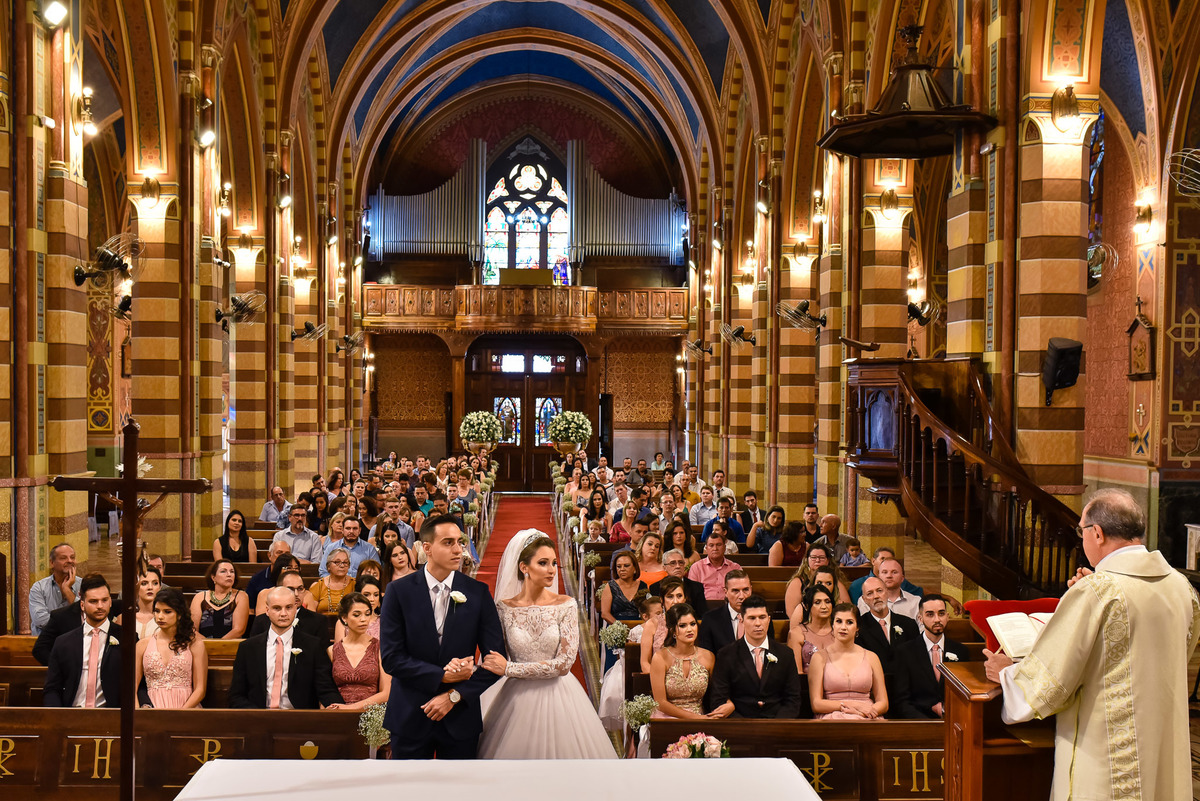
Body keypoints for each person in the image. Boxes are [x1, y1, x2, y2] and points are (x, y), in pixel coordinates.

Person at [984, 489, 1200, 801]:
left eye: (1081, 530)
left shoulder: (1099, 592)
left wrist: (1007, 673)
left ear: (1096, 533)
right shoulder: (1181, 588)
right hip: (1165, 741)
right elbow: (1171, 654)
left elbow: (1051, 682)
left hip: (1109, 755)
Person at [475, 532, 615, 758]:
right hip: (515, 699)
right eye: (543, 563)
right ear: (524, 567)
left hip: (559, 694)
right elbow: (494, 655)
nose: (551, 570)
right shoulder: (504, 608)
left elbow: (564, 664)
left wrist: (510, 669)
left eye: (553, 563)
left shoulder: (566, 605)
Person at [378, 514, 506, 759]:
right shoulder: (398, 592)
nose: (458, 550)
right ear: (427, 548)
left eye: (460, 542)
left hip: (459, 718)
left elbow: (495, 661)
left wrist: (454, 696)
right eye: (448, 543)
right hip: (410, 715)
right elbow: (392, 658)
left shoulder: (477, 592)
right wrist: (442, 676)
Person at [229, 586, 344, 709]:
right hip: (258, 719)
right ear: (267, 610)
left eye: (288, 607)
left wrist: (336, 708)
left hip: (299, 719)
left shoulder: (313, 646)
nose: (283, 614)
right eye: (277, 608)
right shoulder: (248, 648)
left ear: (295, 608)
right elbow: (236, 695)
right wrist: (258, 716)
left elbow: (326, 689)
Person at [708, 594, 806, 718]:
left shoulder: (785, 654)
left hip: (778, 725)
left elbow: (793, 699)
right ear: (742, 620)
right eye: (752, 618)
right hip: (740, 727)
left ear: (769, 619)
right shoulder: (727, 655)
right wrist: (745, 728)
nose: (758, 623)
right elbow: (718, 699)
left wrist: (776, 727)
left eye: (762, 617)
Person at [43, 574, 124, 707]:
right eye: (93, 601)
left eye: (104, 600)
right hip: (72, 714)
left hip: (112, 716)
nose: (100, 606)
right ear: (82, 605)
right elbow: (52, 688)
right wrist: (57, 718)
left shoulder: (126, 638)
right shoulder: (63, 643)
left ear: (110, 602)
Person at [892, 594, 969, 719]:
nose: (937, 619)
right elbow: (902, 700)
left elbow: (964, 694)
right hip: (919, 722)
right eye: (930, 614)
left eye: (941, 613)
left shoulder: (961, 651)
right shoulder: (905, 652)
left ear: (947, 617)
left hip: (954, 719)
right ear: (920, 618)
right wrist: (926, 725)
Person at [810, 604, 888, 719]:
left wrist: (863, 712)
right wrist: (851, 705)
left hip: (867, 716)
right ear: (832, 624)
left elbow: (883, 703)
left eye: (849, 622)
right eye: (839, 621)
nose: (843, 627)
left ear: (857, 627)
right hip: (832, 716)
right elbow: (816, 704)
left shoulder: (872, 657)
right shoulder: (819, 657)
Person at [135, 588, 207, 708]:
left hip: (186, 709)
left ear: (179, 614)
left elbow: (200, 690)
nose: (160, 617)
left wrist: (179, 714)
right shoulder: (142, 645)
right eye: (157, 611)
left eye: (167, 612)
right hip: (152, 711)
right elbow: (132, 686)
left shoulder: (195, 644)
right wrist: (138, 713)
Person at [855, 576, 920, 699]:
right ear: (864, 600)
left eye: (879, 591)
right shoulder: (859, 628)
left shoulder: (909, 624)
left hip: (908, 692)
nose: (876, 596)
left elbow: (916, 661)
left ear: (887, 592)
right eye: (870, 593)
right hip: (874, 692)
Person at [325, 592, 391, 710]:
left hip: (372, 715)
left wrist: (352, 708)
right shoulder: (332, 651)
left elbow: (386, 693)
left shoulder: (380, 648)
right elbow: (325, 690)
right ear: (344, 618)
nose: (363, 620)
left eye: (367, 614)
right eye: (356, 615)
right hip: (337, 714)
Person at [649, 604, 714, 719]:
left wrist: (729, 704)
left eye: (693, 624)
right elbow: (661, 703)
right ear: (672, 630)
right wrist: (694, 718)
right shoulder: (660, 657)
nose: (690, 629)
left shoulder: (708, 657)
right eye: (682, 626)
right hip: (667, 719)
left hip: (701, 719)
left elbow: (716, 692)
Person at [249, 567, 330, 647]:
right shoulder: (261, 621)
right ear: (279, 589)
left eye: (300, 589)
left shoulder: (318, 622)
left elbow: (321, 656)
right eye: (290, 589)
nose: (296, 594)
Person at [697, 570, 762, 655]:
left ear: (751, 589)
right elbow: (706, 655)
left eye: (746, 590)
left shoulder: (762, 617)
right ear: (725, 592)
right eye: (736, 591)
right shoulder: (710, 619)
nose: (742, 596)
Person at [29, 543, 81, 636]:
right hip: (46, 643)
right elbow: (41, 620)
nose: (69, 561)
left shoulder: (83, 585)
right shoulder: (39, 588)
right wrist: (73, 623)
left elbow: (86, 616)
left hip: (74, 643)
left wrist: (67, 590)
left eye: (72, 557)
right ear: (52, 563)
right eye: (63, 558)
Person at [191, 559, 248, 639]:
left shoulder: (241, 596)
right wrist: (206, 646)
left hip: (230, 646)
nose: (229, 575)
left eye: (232, 571)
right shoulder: (200, 597)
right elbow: (192, 630)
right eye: (223, 571)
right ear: (213, 577)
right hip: (202, 645)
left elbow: (238, 630)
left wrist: (218, 645)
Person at [848, 546, 923, 605]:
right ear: (873, 561)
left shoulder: (899, 581)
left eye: (889, 559)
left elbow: (919, 593)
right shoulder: (858, 585)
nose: (885, 562)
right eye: (882, 559)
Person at [788, 584, 836, 674]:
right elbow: (797, 673)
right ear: (807, 606)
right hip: (806, 686)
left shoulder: (839, 631)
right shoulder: (797, 633)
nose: (824, 606)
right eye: (817, 602)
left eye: (827, 601)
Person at [649, 548, 708, 614]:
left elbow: (702, 615)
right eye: (673, 563)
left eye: (681, 563)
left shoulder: (697, 587)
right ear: (664, 568)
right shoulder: (655, 587)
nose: (678, 566)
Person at [687, 530, 741, 600]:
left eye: (718, 545)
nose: (715, 549)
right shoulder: (696, 567)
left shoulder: (735, 568)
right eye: (711, 545)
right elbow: (692, 593)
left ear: (724, 548)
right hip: (703, 607)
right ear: (706, 549)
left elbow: (741, 591)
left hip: (728, 606)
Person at [600, 551, 645, 625]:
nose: (622, 569)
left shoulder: (643, 586)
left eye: (626, 565)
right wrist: (621, 629)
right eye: (619, 566)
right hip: (616, 627)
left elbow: (648, 611)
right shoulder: (610, 586)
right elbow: (605, 614)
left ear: (635, 568)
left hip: (639, 627)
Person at [304, 547, 354, 613]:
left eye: (345, 562)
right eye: (337, 562)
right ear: (328, 566)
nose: (342, 566)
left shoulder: (355, 584)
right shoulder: (318, 586)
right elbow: (311, 614)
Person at [247, 540, 291, 612]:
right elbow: (250, 609)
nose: (283, 557)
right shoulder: (257, 579)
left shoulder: (295, 579)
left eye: (287, 553)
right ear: (269, 555)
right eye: (279, 553)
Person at [131, 566, 162, 639]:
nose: (150, 587)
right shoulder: (125, 618)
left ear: (160, 587)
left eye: (155, 583)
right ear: (136, 587)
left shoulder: (166, 617)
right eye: (144, 583)